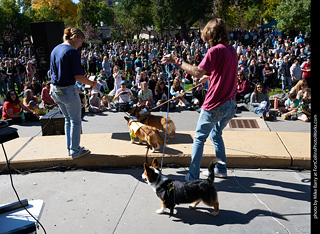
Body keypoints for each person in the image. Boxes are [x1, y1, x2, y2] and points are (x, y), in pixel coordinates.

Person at [161, 18, 237, 180]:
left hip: (215, 104)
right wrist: (210, 77)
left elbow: (196, 72)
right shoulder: (231, 50)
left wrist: (177, 61)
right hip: (230, 104)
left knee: (199, 138)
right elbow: (225, 73)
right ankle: (221, 169)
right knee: (216, 134)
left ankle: (193, 176)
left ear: (211, 36)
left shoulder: (214, 51)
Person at [50, 27, 97, 159]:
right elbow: (78, 76)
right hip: (67, 90)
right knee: (76, 121)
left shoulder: (55, 49)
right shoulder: (72, 52)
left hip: (55, 90)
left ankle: (71, 149)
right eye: (81, 41)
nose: (81, 44)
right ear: (75, 37)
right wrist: (92, 83)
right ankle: (75, 151)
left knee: (68, 120)